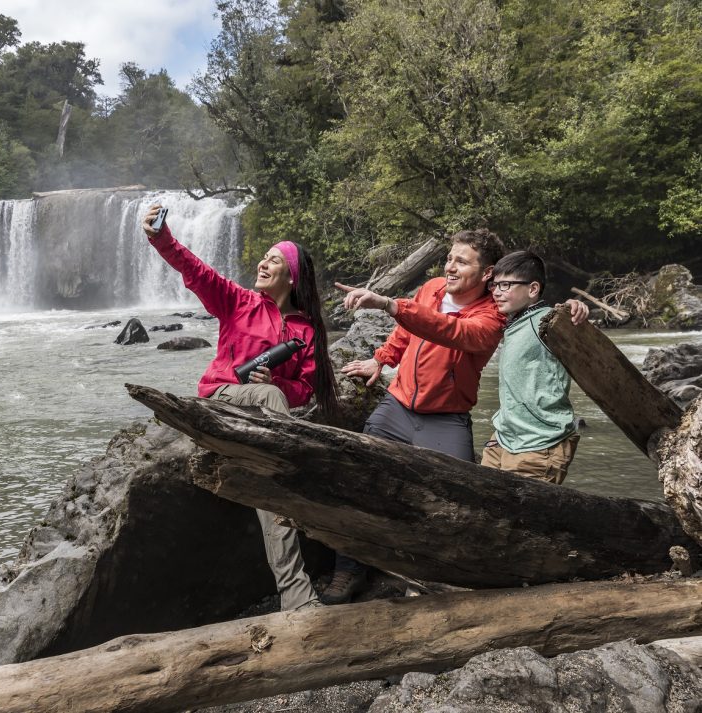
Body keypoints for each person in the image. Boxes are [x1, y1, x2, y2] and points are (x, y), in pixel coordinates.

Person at [140, 204, 340, 611]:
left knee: (271, 419)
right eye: (264, 257)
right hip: (221, 399)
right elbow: (196, 271)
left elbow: (304, 389)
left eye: (274, 260)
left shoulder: (307, 329)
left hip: (265, 420)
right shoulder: (238, 301)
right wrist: (161, 237)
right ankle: (286, 482)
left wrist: (276, 381)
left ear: (292, 276)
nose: (263, 263)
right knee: (271, 402)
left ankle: (295, 592)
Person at [326, 228, 509, 604]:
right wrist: (381, 358)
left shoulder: (491, 317)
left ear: (487, 273)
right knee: (359, 481)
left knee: (454, 507)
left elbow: (450, 331)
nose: (451, 266)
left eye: (461, 261)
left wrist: (390, 303)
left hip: (446, 418)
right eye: (449, 258)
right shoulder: (432, 288)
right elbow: (405, 333)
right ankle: (348, 569)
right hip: (395, 407)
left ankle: (428, 583)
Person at [479, 250, 586, 484]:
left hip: (540, 443)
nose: (496, 292)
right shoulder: (513, 322)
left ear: (533, 289)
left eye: (506, 285)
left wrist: (574, 308)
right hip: (503, 438)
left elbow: (569, 322)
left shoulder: (546, 322)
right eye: (494, 285)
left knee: (521, 518)